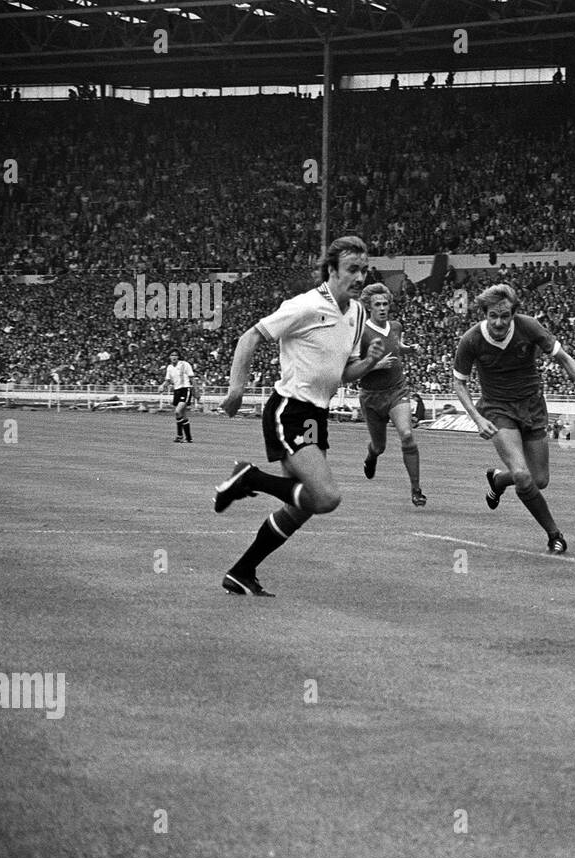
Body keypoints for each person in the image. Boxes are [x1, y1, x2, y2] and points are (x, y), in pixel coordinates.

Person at [211, 235, 394, 597]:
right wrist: (236, 390)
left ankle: (241, 571)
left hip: (316, 415)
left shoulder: (356, 313)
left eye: (363, 270)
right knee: (325, 497)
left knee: (302, 506)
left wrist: (370, 361)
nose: (359, 278)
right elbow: (250, 337)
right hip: (289, 409)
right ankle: (250, 478)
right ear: (331, 271)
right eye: (352, 270)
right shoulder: (306, 305)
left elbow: (343, 373)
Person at [451, 283, 575, 553]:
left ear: (514, 313)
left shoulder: (529, 327)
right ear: (484, 313)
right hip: (498, 409)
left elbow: (565, 359)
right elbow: (459, 384)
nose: (499, 322)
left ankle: (498, 480)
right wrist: (477, 418)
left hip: (532, 406)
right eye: (493, 316)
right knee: (523, 476)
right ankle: (554, 535)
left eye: (505, 315)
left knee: (540, 480)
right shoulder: (471, 340)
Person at [357, 282, 426, 506]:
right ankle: (372, 456)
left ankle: (416, 490)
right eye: (377, 304)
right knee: (380, 446)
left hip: (397, 390)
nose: (383, 308)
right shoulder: (360, 332)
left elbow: (396, 345)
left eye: (385, 303)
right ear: (369, 307)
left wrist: (409, 349)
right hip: (371, 396)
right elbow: (350, 367)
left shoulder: (395, 326)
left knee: (407, 435)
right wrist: (376, 365)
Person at [164, 349, 195, 443]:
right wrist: (162, 386)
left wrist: (196, 390)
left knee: (178, 411)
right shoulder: (169, 367)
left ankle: (179, 435)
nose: (174, 357)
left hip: (185, 389)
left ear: (178, 357)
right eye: (172, 355)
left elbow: (192, 378)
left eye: (176, 355)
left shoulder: (185, 364)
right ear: (169, 357)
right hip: (177, 390)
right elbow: (168, 380)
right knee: (183, 414)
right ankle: (188, 437)